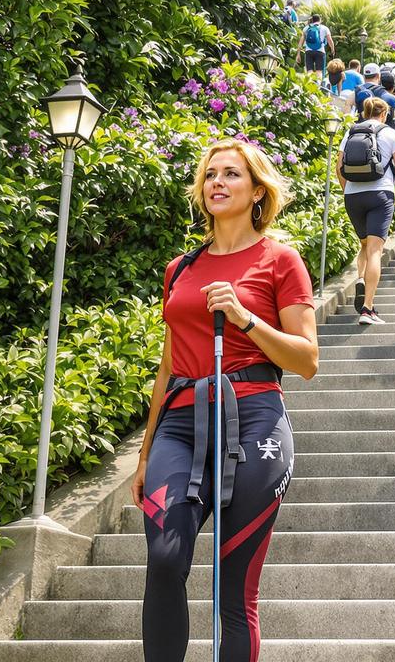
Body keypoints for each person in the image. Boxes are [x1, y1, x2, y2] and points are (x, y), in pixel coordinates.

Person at [135, 138, 318, 662]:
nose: (217, 182)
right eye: (210, 174)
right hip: (179, 424)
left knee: (234, 588)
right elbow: (168, 365)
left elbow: (307, 360)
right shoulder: (180, 268)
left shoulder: (281, 261)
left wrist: (245, 317)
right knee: (164, 560)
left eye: (231, 174)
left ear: (258, 191)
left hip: (255, 421)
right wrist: (145, 455)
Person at [336, 98, 395, 325]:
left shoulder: (350, 133)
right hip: (380, 195)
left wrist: (347, 191)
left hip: (353, 196)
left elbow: (339, 167)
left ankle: (361, 278)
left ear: (364, 112)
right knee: (375, 250)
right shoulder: (389, 133)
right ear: (384, 114)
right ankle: (368, 309)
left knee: (364, 245)